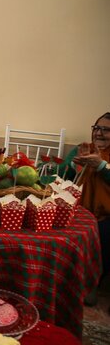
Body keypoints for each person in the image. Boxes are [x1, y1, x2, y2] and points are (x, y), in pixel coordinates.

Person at [62, 112, 110, 309]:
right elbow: (63, 175)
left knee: (103, 234)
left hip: (105, 214)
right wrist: (74, 165)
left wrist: (101, 166)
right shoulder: (82, 149)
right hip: (77, 209)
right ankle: (64, 280)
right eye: (96, 128)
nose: (99, 133)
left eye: (105, 130)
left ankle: (91, 284)